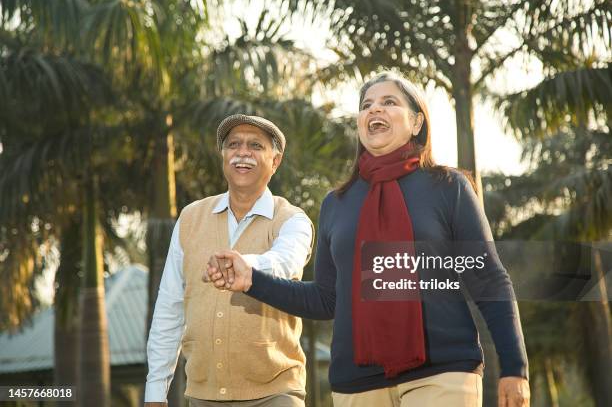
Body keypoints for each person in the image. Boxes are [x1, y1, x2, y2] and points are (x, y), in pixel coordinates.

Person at [208, 72, 531, 407]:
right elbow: (325, 299)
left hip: (441, 374)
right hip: (356, 385)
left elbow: (489, 279)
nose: (374, 110)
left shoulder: (448, 188)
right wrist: (251, 280)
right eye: (366, 105)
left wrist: (514, 367)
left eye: (388, 102)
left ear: (417, 122)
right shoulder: (337, 203)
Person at [144, 114, 314, 407]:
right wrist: (155, 394)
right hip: (201, 396)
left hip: (276, 394)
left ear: (275, 161)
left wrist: (246, 267)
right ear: (223, 156)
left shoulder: (292, 219)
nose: (242, 152)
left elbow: (287, 262)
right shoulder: (190, 218)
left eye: (255, 145)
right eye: (233, 144)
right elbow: (169, 308)